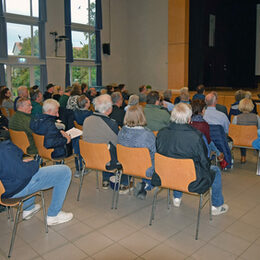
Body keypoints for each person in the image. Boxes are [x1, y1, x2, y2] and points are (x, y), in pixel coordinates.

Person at [156, 103, 228, 215]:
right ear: (189, 118)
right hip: (191, 180)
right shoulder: (196, 136)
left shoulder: (161, 133)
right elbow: (204, 161)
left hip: (166, 175)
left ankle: (176, 198)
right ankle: (217, 206)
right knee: (215, 170)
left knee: (176, 162)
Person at [0, 140, 73, 226]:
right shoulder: (3, 149)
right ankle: (54, 215)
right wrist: (33, 163)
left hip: (4, 189)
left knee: (28, 172)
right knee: (65, 172)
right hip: (14, 190)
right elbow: (23, 172)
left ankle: (28, 208)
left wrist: (20, 163)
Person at [82, 94, 131, 193]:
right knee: (126, 152)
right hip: (107, 162)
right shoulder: (111, 123)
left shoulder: (86, 120)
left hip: (90, 158)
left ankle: (105, 181)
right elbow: (119, 143)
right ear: (109, 109)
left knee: (104, 146)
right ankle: (124, 184)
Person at [118, 105, 156, 199]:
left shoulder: (121, 131)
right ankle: (147, 184)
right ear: (142, 116)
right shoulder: (147, 135)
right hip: (145, 169)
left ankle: (128, 183)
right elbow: (155, 153)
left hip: (126, 167)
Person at [232, 98, 260, 163]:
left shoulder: (236, 118)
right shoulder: (257, 117)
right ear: (251, 106)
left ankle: (243, 157)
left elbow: (234, 131)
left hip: (239, 141)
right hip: (253, 141)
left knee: (242, 135)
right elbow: (259, 129)